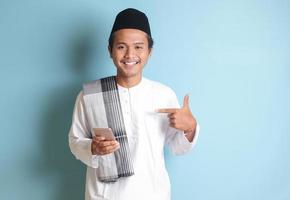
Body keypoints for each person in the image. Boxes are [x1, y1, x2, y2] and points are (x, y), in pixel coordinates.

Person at [69, 8, 200, 200]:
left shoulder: (163, 94)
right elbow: (75, 141)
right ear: (110, 50)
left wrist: (190, 127)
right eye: (121, 46)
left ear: (149, 51)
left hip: (152, 194)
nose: (130, 54)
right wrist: (93, 148)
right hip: (103, 196)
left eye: (138, 47)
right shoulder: (89, 95)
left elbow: (177, 147)